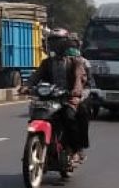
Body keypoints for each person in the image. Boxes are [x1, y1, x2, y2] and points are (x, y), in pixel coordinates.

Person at [20, 28, 88, 161]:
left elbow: (78, 78)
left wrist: (75, 91)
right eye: (52, 42)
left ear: (65, 44)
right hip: (49, 98)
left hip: (67, 98)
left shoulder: (75, 62)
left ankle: (75, 149)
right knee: (36, 113)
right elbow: (35, 76)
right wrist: (26, 86)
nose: (55, 46)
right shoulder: (47, 63)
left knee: (69, 117)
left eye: (58, 42)